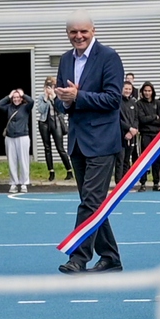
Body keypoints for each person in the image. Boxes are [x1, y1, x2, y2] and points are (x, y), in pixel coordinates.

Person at [55, 16, 125, 273]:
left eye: (83, 31)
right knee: (92, 202)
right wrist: (64, 100)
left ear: (93, 30)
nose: (78, 36)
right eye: (73, 32)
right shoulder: (65, 59)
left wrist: (78, 96)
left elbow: (113, 99)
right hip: (77, 141)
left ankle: (78, 257)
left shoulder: (109, 57)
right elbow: (60, 100)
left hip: (102, 141)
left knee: (91, 202)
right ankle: (110, 257)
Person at [0, 88, 34, 194]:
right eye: (14, 97)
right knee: (12, 161)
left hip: (23, 136)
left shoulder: (26, 107)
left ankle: (24, 183)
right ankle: (13, 183)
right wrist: (8, 96)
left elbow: (31, 101)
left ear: (21, 98)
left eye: (18, 97)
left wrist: (23, 94)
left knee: (23, 160)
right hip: (10, 137)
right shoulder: (9, 107)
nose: (16, 99)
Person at [35, 77, 72, 181]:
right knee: (47, 148)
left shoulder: (58, 97)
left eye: (51, 86)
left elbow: (61, 110)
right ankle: (51, 171)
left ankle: (69, 170)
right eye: (47, 86)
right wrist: (46, 99)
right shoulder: (41, 97)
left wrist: (53, 97)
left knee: (60, 148)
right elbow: (41, 110)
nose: (49, 89)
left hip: (56, 122)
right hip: (44, 123)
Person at [135, 82, 160, 190]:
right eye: (145, 91)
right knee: (144, 159)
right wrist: (154, 116)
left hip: (157, 135)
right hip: (145, 135)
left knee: (157, 159)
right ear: (142, 92)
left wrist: (149, 119)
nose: (147, 93)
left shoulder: (158, 103)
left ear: (152, 91)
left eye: (149, 91)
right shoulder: (139, 104)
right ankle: (143, 183)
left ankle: (156, 182)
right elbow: (142, 120)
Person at [118, 80, 141, 176]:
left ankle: (125, 181)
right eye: (126, 89)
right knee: (120, 160)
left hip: (131, 136)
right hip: (120, 136)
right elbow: (117, 119)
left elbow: (136, 118)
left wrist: (133, 130)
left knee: (127, 160)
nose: (127, 91)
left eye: (129, 89)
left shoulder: (133, 103)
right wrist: (128, 129)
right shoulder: (118, 102)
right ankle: (119, 182)